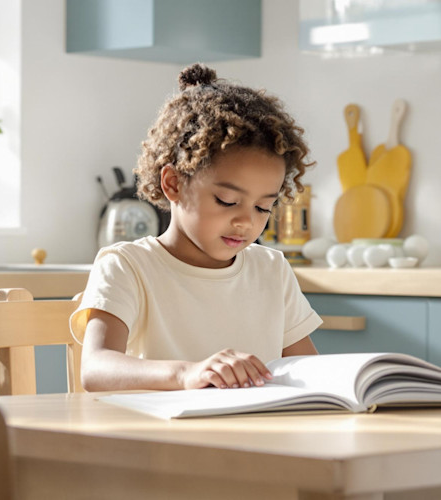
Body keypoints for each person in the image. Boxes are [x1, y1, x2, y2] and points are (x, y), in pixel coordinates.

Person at [70, 63, 321, 392]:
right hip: (159, 441)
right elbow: (96, 368)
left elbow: (310, 371)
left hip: (251, 439)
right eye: (227, 201)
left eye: (263, 207)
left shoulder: (271, 270)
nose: (246, 221)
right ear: (173, 183)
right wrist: (185, 374)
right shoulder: (128, 267)